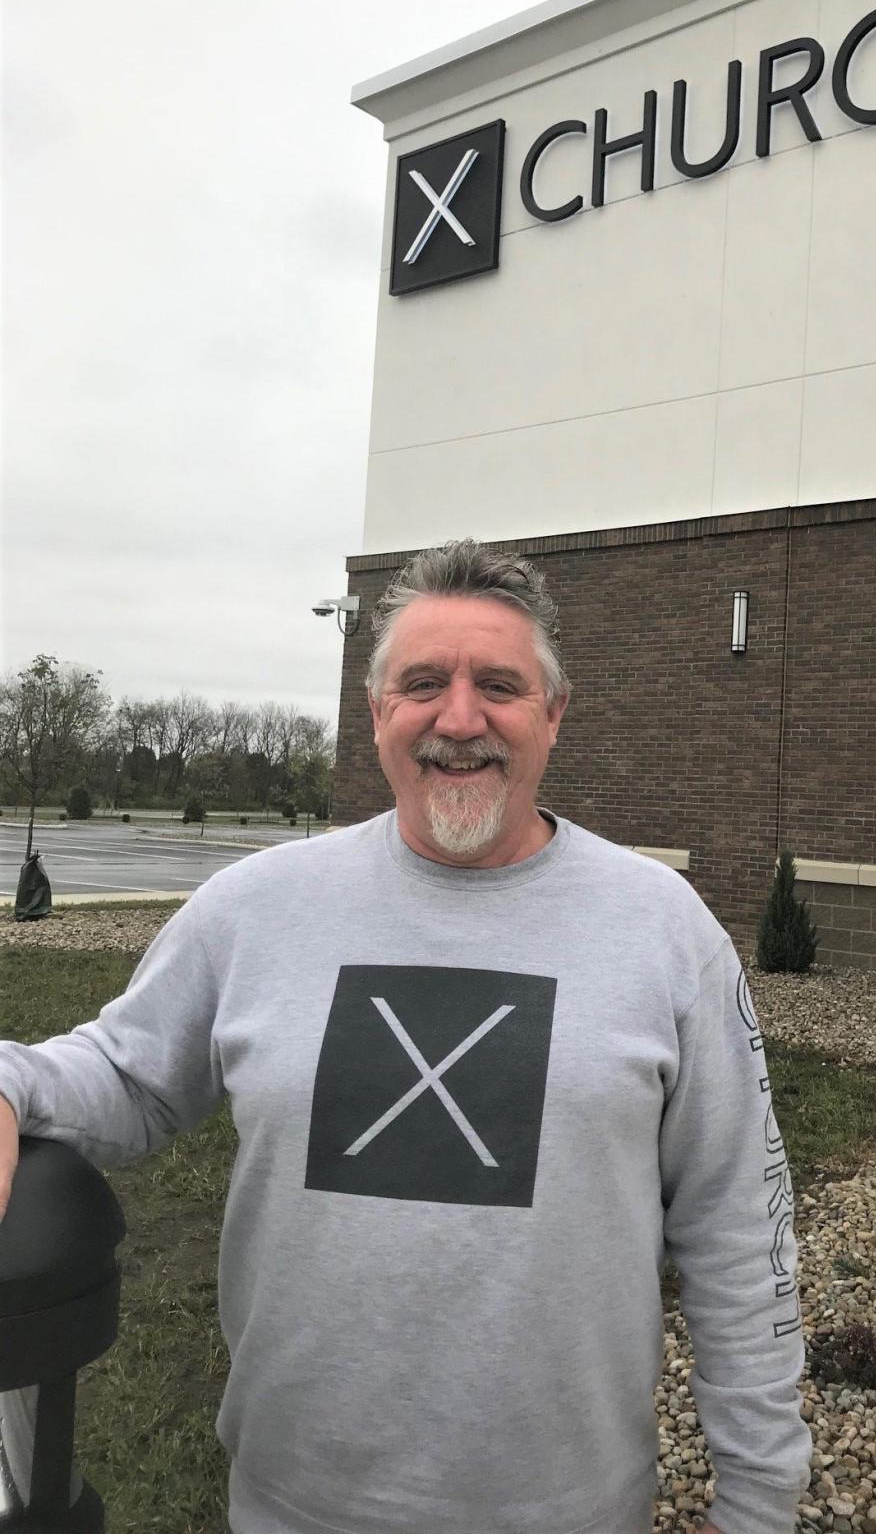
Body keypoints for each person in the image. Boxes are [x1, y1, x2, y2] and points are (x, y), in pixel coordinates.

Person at [0, 539, 812, 1534]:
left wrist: (763, 1497)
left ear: (554, 716)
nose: (460, 718)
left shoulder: (665, 931)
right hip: (295, 1508)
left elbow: (736, 1233)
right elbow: (128, 1078)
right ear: (379, 712)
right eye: (423, 683)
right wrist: (9, 1084)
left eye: (500, 686)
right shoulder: (256, 909)